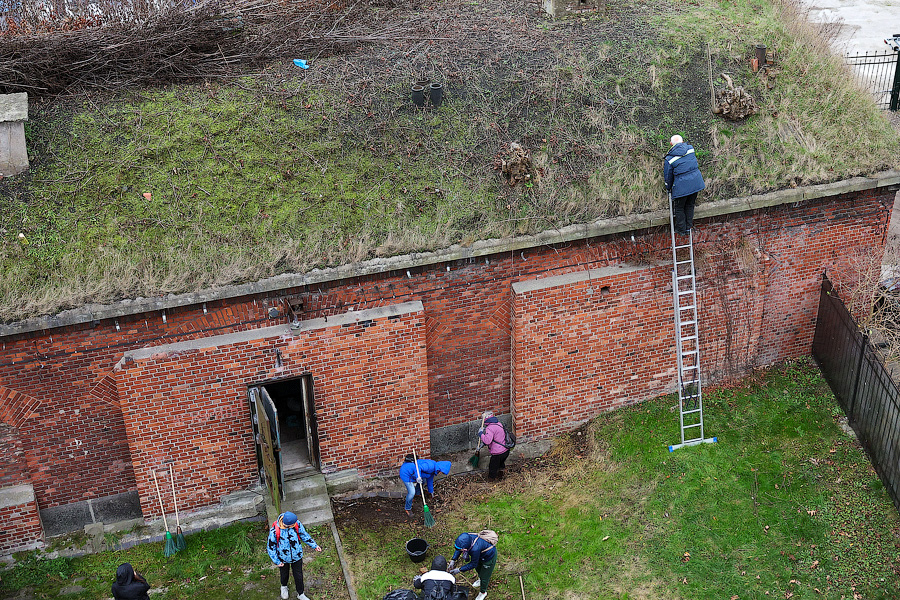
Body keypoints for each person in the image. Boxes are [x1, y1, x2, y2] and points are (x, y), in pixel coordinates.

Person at [267, 511, 323, 600]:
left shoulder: (296, 524)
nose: (294, 525)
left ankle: (300, 593)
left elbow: (304, 535)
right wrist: (277, 561)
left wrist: (314, 545)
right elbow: (271, 547)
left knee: (298, 575)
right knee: (284, 574)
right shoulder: (275, 530)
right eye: (292, 525)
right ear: (287, 524)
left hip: (297, 556)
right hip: (283, 558)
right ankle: (284, 587)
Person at [663, 134, 706, 235]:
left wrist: (668, 188)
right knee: (690, 205)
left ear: (670, 144)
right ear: (682, 142)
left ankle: (681, 230)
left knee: (679, 207)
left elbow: (668, 176)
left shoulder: (669, 159)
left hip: (682, 186)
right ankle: (688, 228)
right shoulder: (690, 149)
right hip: (696, 183)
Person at [448, 530, 499, 600]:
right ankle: (480, 579)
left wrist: (459, 570)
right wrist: (453, 560)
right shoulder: (466, 539)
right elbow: (458, 548)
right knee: (478, 569)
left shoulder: (475, 549)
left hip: (488, 557)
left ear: (465, 548)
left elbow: (473, 564)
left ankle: (483, 592)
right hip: (480, 555)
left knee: (485, 577)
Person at [478, 413, 510, 480]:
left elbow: (487, 441)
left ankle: (491, 480)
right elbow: (496, 437)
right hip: (506, 450)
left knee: (493, 467)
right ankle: (501, 476)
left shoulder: (489, 428)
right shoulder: (498, 423)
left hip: (498, 453)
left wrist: (481, 434)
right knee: (501, 464)